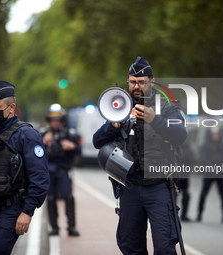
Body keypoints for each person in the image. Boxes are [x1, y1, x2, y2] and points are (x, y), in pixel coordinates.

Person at [93, 56, 187, 254]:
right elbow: (97, 141)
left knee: (164, 246)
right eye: (132, 82)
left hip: (159, 187)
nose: (136, 86)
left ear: (151, 82)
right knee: (131, 246)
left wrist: (156, 120)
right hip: (130, 187)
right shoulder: (120, 107)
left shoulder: (168, 107)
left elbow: (181, 135)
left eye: (141, 82)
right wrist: (113, 124)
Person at [0, 81, 50, 254]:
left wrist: (27, 212)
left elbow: (40, 178)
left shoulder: (27, 135)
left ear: (11, 107)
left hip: (12, 209)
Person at [42, 104, 80, 236]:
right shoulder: (44, 134)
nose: (55, 122)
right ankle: (54, 228)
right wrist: (43, 142)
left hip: (64, 170)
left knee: (68, 197)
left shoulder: (70, 133)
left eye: (58, 120)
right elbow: (34, 152)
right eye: (53, 120)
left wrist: (72, 146)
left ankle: (71, 227)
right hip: (49, 172)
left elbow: (79, 151)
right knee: (51, 198)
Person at [196, 126, 223, 224]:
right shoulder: (206, 146)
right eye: (214, 134)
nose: (215, 136)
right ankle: (199, 214)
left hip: (221, 174)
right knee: (204, 194)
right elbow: (203, 159)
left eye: (217, 134)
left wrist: (221, 168)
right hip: (209, 173)